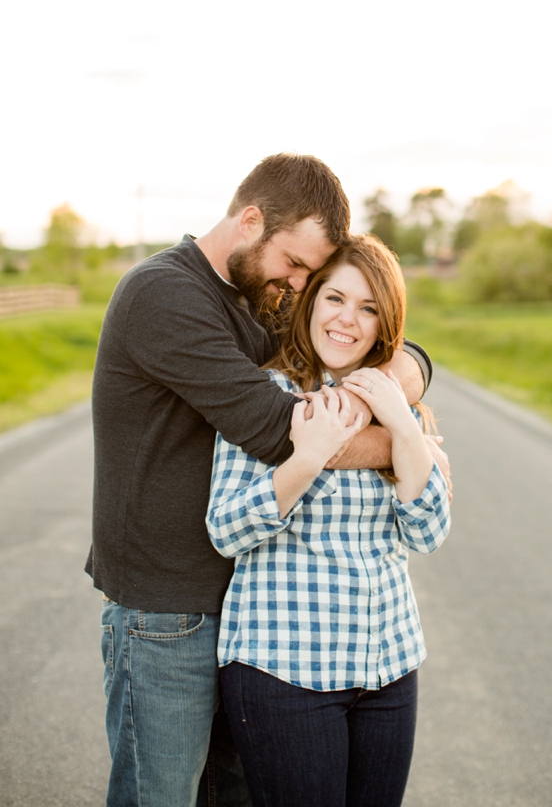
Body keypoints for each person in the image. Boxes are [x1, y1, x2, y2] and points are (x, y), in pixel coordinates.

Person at [88, 153, 445, 807]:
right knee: (159, 796)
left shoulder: (263, 292)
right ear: (250, 221)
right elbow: (276, 425)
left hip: (247, 614)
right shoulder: (164, 294)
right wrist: (403, 441)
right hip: (169, 609)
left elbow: (389, 346)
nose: (302, 283)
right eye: (297, 264)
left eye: (312, 272)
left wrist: (399, 388)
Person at [208, 234, 449, 807]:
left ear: (385, 323)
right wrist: (309, 456)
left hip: (389, 665)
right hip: (284, 670)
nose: (348, 320)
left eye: (368, 308)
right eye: (336, 298)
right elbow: (226, 529)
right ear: (311, 300)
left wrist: (404, 426)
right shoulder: (267, 395)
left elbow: (429, 532)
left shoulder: (398, 407)